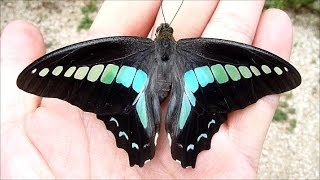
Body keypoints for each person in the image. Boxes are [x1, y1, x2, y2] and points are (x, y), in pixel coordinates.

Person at [1, 1, 293, 179]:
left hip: (141, 91)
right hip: (186, 90)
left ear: (156, 36)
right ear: (172, 37)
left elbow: (252, 71)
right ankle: (166, 140)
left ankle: (164, 139)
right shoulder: (204, 52)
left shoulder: (121, 52)